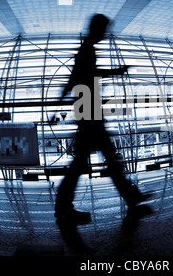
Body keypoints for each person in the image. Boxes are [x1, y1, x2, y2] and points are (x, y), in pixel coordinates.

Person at [54, 14, 152, 225]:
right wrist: (116, 72)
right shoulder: (87, 49)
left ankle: (128, 197)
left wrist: (63, 95)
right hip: (89, 114)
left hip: (87, 112)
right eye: (104, 29)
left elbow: (76, 77)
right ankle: (64, 208)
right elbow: (87, 74)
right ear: (97, 28)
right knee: (91, 161)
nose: (106, 34)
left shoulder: (86, 49)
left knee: (97, 160)